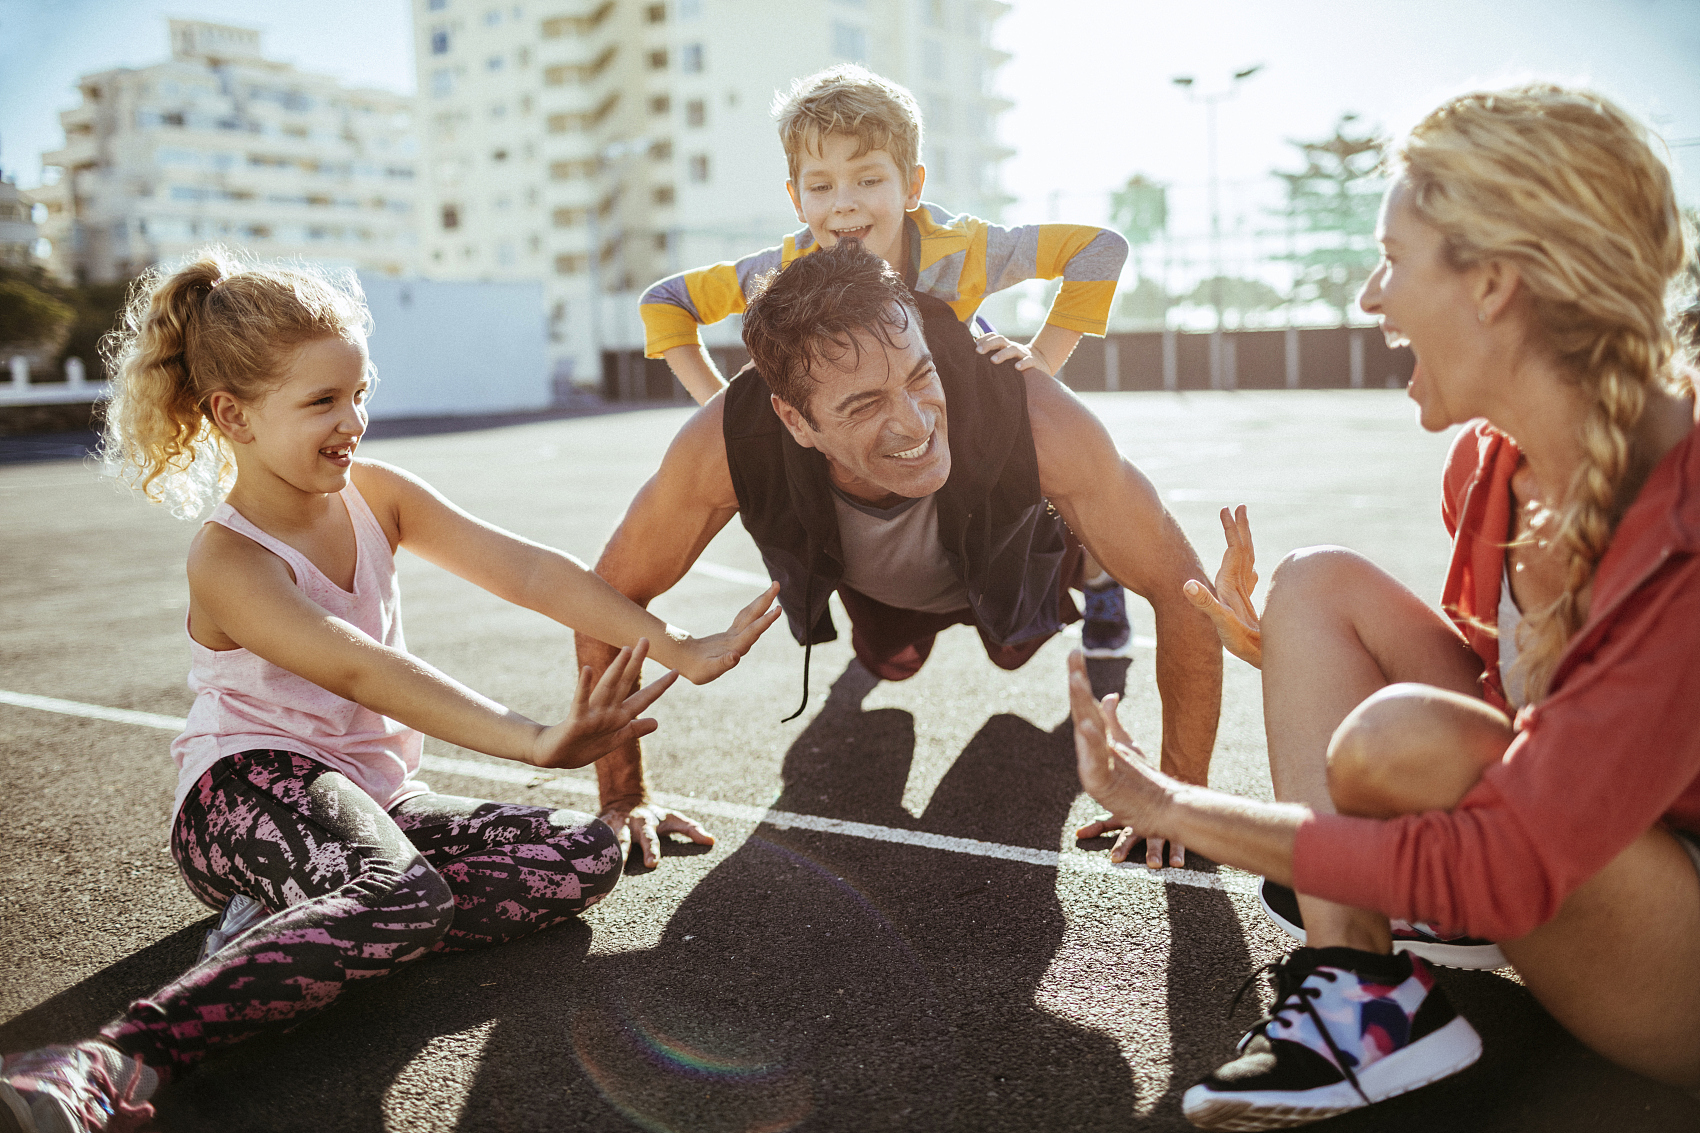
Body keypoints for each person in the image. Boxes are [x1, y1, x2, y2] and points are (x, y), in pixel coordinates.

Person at [0, 251, 779, 1133]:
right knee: (402, 895)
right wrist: (533, 739)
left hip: (374, 794)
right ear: (234, 415)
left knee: (582, 857)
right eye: (322, 402)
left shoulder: (377, 494)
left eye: (360, 392)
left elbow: (525, 568)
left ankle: (313, 920)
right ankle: (110, 1058)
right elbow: (361, 668)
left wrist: (679, 642)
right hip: (241, 791)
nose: (354, 421)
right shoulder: (231, 559)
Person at [1066, 84, 1699, 1130]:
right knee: (1317, 582)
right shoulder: (1489, 466)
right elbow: (1532, 693)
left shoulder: (1679, 523)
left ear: (1492, 281)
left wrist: (1174, 804)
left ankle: (1412, 910)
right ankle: (1361, 993)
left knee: (1402, 741)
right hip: (1605, 845)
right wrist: (1293, 655)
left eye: (1393, 259)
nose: (1368, 296)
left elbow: (1507, 839)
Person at [578, 239, 1223, 871]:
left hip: (1005, 565)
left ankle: (1093, 566)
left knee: (1014, 649)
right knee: (892, 665)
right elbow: (601, 597)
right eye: (862, 404)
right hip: (886, 589)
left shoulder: (1028, 408)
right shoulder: (727, 441)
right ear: (796, 421)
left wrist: (1178, 800)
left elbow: (1184, 589)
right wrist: (623, 797)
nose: (915, 423)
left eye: (920, 376)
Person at [639, 63, 1140, 658]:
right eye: (821, 187)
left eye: (868, 179)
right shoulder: (785, 273)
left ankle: (1095, 575)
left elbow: (1100, 248)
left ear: (912, 186)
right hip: (879, 435)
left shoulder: (964, 249)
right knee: (891, 654)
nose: (844, 206)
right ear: (797, 199)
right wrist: (724, 406)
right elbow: (665, 302)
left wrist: (1043, 356)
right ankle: (893, 612)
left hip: (962, 410)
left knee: (1033, 542)